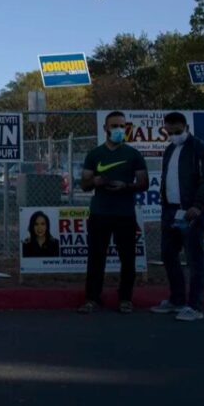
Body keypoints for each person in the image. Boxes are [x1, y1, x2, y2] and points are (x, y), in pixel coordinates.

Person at [78, 111, 149, 315]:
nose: (118, 129)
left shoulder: (133, 154)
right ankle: (92, 298)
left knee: (128, 259)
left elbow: (143, 183)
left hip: (125, 214)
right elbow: (83, 184)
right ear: (105, 129)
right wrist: (95, 181)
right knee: (96, 258)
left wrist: (126, 186)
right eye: (114, 126)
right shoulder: (95, 154)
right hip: (100, 213)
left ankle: (125, 299)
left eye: (122, 126)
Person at [150, 112, 204, 322]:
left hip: (191, 211)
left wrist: (198, 206)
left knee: (194, 258)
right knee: (168, 254)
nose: (174, 135)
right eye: (170, 132)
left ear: (186, 128)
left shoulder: (201, 148)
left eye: (178, 131)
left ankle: (194, 306)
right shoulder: (170, 149)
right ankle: (177, 299)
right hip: (170, 211)